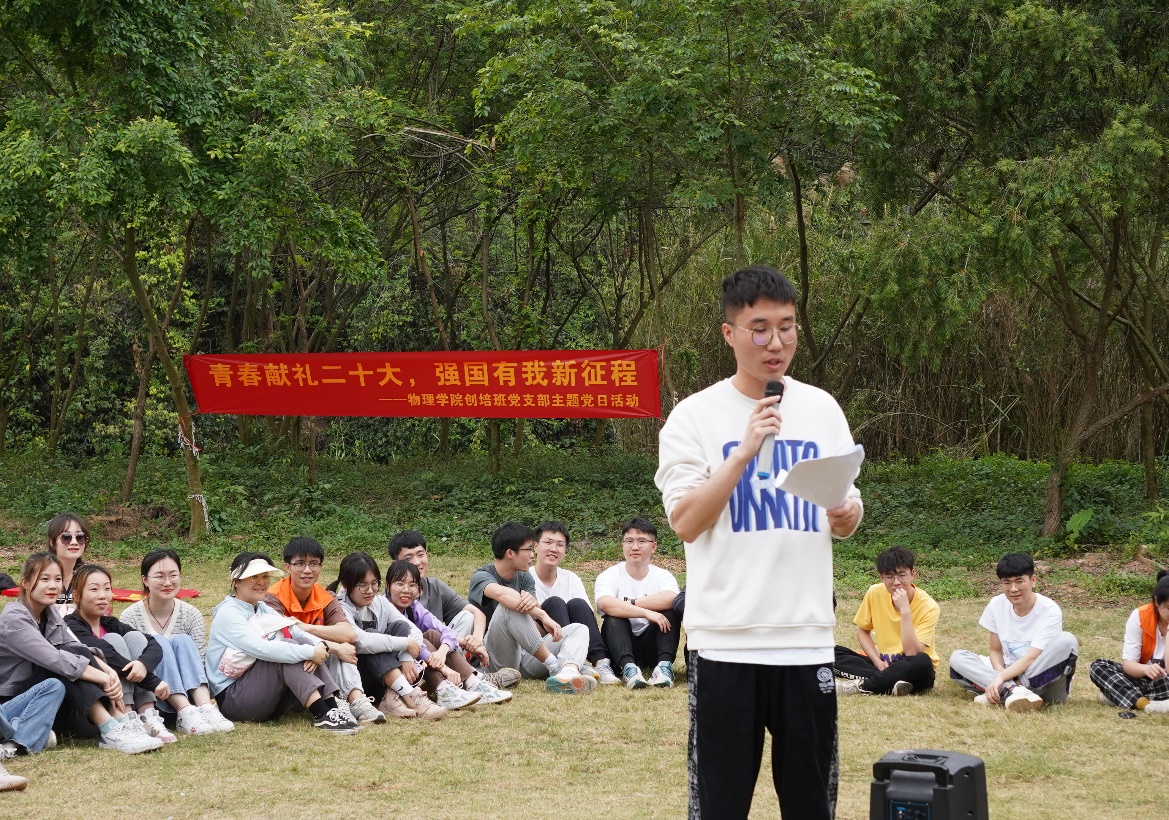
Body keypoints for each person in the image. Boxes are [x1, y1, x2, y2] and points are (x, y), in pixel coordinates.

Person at [655, 264, 863, 819]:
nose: (776, 343)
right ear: (730, 334)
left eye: (787, 327)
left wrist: (847, 514)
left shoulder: (821, 408)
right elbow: (685, 522)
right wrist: (743, 452)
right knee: (720, 805)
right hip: (726, 643)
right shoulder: (693, 417)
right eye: (760, 329)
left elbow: (846, 505)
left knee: (811, 803)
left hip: (806, 639)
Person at [0, 552, 163, 753]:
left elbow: (77, 647)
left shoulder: (49, 613)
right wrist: (102, 677)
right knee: (64, 665)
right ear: (25, 583)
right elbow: (54, 659)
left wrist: (108, 671)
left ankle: (119, 720)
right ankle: (111, 729)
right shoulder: (14, 620)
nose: (53, 585)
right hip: (13, 701)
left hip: (49, 695)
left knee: (73, 655)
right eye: (45, 579)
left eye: (58, 579)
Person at [205, 552, 359, 734]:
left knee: (299, 640)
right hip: (234, 700)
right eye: (254, 576)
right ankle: (321, 713)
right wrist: (310, 652)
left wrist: (322, 647)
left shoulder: (262, 607)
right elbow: (262, 649)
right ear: (236, 581)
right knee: (284, 650)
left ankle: (332, 709)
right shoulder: (228, 613)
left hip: (265, 694)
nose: (261, 582)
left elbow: (296, 631)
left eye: (265, 576)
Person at [261, 537, 381, 725]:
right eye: (300, 563)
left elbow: (348, 633)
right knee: (340, 648)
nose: (307, 570)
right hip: (289, 668)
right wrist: (327, 647)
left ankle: (356, 701)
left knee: (344, 645)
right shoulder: (272, 598)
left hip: (316, 664)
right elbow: (280, 638)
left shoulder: (326, 597)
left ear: (321, 567)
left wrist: (304, 627)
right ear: (287, 567)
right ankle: (336, 703)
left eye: (314, 563)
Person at [468, 522, 596, 695]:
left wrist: (537, 614)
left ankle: (568, 673)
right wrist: (543, 615)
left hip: (525, 658)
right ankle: (554, 666)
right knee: (509, 607)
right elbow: (504, 596)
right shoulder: (482, 576)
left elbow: (530, 610)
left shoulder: (525, 576)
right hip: (494, 659)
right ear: (510, 553)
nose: (532, 554)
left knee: (578, 629)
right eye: (528, 549)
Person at [118, 549, 232, 734]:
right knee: (158, 643)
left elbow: (200, 660)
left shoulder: (191, 614)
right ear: (145, 580)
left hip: (193, 697)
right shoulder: (130, 616)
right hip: (155, 699)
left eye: (173, 575)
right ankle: (183, 711)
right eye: (159, 576)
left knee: (182, 640)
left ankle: (205, 707)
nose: (167, 582)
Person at [949, 552, 1079, 711]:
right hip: (1009, 672)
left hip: (1044, 682)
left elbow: (1031, 657)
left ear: (1033, 580)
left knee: (1067, 640)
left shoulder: (1049, 610)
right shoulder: (996, 605)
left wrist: (1000, 678)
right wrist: (999, 672)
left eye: (1019, 581)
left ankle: (1008, 690)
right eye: (1007, 583)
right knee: (958, 658)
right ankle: (1010, 691)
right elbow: (995, 651)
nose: (1013, 589)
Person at [65, 564, 178, 742]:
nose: (102, 595)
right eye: (94, 589)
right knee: (113, 640)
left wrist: (143, 664)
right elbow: (108, 656)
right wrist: (152, 682)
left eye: (107, 588)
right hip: (97, 702)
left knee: (135, 637)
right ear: (77, 595)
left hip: (127, 686)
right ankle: (125, 715)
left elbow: (153, 644)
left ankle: (147, 714)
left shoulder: (110, 622)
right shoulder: (71, 625)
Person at [328, 552, 448, 719]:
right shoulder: (338, 608)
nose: (370, 590)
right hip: (358, 683)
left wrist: (405, 656)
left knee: (400, 626)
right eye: (362, 585)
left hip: (382, 678)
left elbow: (414, 631)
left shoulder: (380, 602)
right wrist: (405, 644)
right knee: (372, 638)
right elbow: (360, 641)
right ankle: (411, 696)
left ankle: (391, 698)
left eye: (374, 583)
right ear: (346, 586)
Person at [386, 559, 511, 705]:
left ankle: (473, 683)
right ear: (388, 587)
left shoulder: (413, 607)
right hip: (393, 669)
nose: (406, 590)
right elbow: (414, 643)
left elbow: (446, 631)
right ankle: (444, 689)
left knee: (433, 634)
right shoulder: (385, 608)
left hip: (415, 664)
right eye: (400, 584)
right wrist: (444, 668)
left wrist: (443, 651)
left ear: (419, 590)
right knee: (423, 641)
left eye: (412, 585)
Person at [388, 530, 504, 685]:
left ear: (427, 554)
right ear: (395, 565)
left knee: (466, 617)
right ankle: (469, 677)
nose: (416, 562)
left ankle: (467, 676)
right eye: (408, 558)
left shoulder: (435, 587)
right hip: (408, 659)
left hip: (440, 653)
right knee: (428, 636)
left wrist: (475, 641)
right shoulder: (389, 601)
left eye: (420, 555)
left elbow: (476, 613)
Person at [834, 547, 939, 696]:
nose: (896, 582)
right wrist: (877, 661)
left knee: (922, 661)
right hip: (883, 664)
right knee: (831, 652)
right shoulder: (875, 592)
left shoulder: (929, 606)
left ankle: (862, 685)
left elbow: (912, 652)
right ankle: (890, 684)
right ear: (881, 577)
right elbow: (863, 631)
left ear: (912, 574)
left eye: (902, 575)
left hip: (913, 669)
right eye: (889, 576)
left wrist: (905, 611)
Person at [594, 517, 681, 688]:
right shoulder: (609, 575)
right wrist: (647, 612)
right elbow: (605, 604)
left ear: (653, 546)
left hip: (652, 645)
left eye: (642, 541)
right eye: (629, 541)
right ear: (622, 546)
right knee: (613, 617)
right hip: (620, 644)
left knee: (669, 611)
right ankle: (629, 669)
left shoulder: (663, 576)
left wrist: (631, 603)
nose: (635, 547)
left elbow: (672, 598)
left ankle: (663, 668)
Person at [530, 521, 619, 685]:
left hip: (572, 636)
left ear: (565, 550)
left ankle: (601, 663)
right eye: (548, 542)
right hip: (542, 646)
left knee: (578, 604)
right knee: (555, 603)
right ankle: (573, 662)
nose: (554, 549)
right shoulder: (525, 578)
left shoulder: (572, 579)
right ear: (535, 546)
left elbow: (584, 618)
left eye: (560, 545)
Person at [1089, 570, 1169, 713]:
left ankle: (1117, 695)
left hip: (1165, 682)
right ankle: (1145, 705)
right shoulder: (1140, 616)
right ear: (1156, 601)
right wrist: (1146, 669)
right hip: (1141, 678)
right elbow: (1129, 665)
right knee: (1098, 667)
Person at [46, 513, 90, 613]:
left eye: (80, 537)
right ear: (52, 542)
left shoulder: (89, 576)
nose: (74, 542)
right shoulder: (40, 573)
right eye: (66, 537)